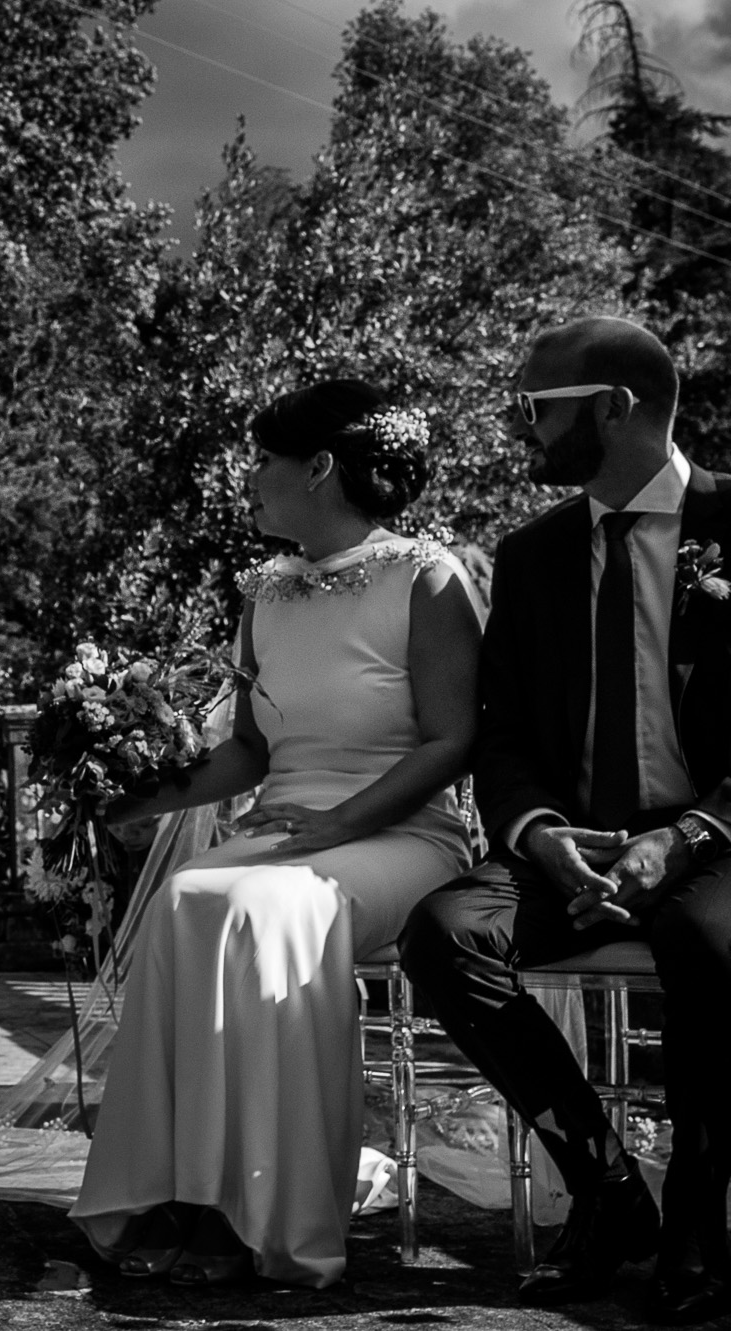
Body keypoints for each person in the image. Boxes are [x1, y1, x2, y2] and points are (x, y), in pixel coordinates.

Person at [71, 380, 482, 1288]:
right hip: (291, 822)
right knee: (186, 896)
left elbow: (455, 740)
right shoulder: (267, 592)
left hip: (405, 834)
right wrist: (127, 800)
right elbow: (251, 753)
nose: (249, 478)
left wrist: (339, 823)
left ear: (321, 468)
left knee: (260, 908)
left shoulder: (428, 576)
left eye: (264, 459)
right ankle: (177, 1187)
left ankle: (269, 1209)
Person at [401, 317, 731, 1322]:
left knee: (707, 941)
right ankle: (601, 1183)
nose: (519, 431)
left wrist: (678, 838)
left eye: (532, 409)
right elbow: (498, 734)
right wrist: (541, 832)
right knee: (446, 935)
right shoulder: (533, 553)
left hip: (713, 842)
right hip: (570, 847)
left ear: (611, 408)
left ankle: (697, 1223)